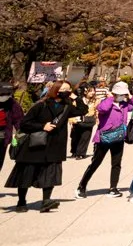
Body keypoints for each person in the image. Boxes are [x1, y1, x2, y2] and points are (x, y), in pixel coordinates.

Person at [7, 80, 85, 211]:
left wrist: (76, 97)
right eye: (65, 89)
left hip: (55, 145)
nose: (68, 92)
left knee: (50, 174)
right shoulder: (41, 105)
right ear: (56, 90)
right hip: (35, 145)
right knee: (27, 174)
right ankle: (21, 202)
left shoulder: (67, 106)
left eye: (69, 89)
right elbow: (24, 124)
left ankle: (46, 201)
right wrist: (42, 126)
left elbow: (83, 110)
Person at [78, 81, 133, 197]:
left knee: (116, 164)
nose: (121, 95)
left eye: (123, 94)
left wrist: (130, 96)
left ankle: (113, 188)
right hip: (103, 138)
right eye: (119, 93)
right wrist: (111, 98)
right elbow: (102, 109)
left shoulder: (125, 105)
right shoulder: (105, 102)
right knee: (95, 163)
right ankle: (81, 186)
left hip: (118, 138)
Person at [69, 82, 97, 159]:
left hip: (88, 121)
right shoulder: (79, 100)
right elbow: (72, 110)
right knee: (75, 137)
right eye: (90, 91)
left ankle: (81, 153)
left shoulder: (96, 100)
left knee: (85, 137)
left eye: (93, 91)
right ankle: (74, 152)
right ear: (85, 91)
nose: (93, 92)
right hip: (77, 121)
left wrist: (98, 121)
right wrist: (71, 120)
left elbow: (97, 111)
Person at [0, 85, 22, 178]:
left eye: (7, 94)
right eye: (2, 94)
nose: (4, 96)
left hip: (2, 137)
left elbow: (18, 121)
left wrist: (20, 134)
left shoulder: (13, 104)